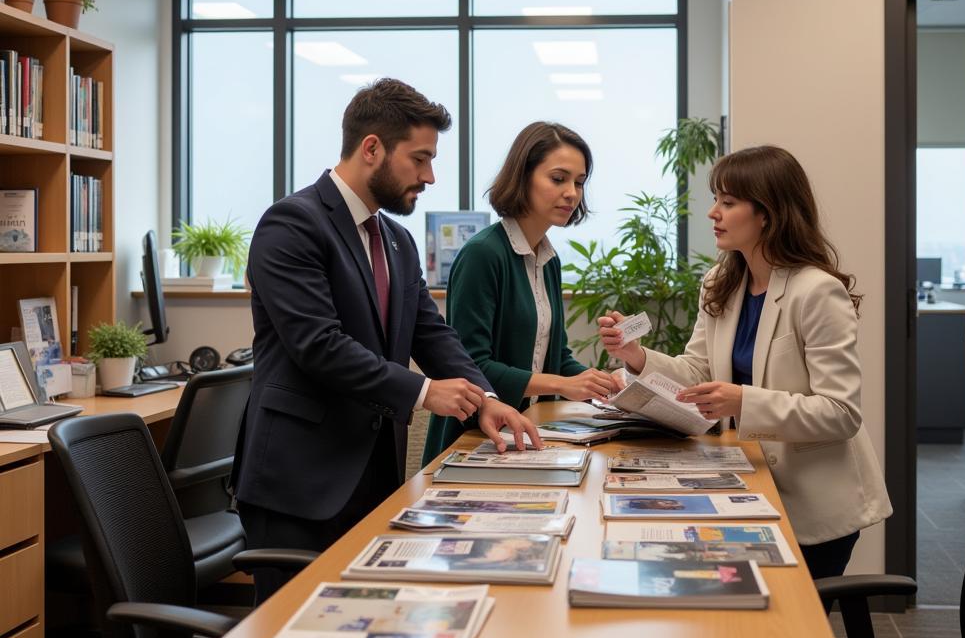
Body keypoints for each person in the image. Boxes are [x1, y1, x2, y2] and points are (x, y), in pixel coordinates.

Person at [233, 79, 541, 601]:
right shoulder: (292, 223)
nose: (430, 176)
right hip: (301, 479)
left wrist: (483, 398)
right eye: (419, 159)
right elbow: (318, 344)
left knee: (359, 623)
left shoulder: (394, 239)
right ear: (372, 147)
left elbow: (430, 331)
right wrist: (425, 393)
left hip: (373, 469)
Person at [598, 145, 891, 578]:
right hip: (746, 483)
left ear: (768, 215)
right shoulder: (722, 281)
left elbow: (841, 413)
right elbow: (698, 371)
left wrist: (742, 402)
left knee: (782, 635)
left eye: (728, 203)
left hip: (812, 506)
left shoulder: (817, 291)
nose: (713, 213)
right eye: (715, 199)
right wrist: (636, 357)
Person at [422, 122, 619, 463]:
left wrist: (597, 382)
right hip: (474, 435)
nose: (572, 193)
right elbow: (472, 366)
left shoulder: (548, 259)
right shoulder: (483, 254)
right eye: (558, 179)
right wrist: (561, 385)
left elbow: (554, 356)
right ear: (522, 177)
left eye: (579, 182)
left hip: (529, 433)